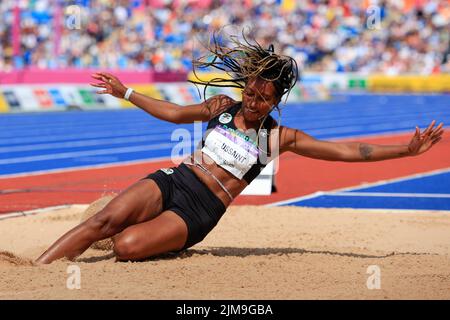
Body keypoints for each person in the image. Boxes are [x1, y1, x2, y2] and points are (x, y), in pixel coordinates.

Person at [36, 36, 444, 264]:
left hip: (198, 212)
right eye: (249, 92)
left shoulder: (280, 138)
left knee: (124, 247)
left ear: (276, 100)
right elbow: (176, 112)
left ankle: (147, 229)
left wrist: (405, 152)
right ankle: (39, 268)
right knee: (103, 221)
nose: (252, 102)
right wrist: (126, 92)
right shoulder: (221, 108)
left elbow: (349, 151)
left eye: (262, 99)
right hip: (173, 182)